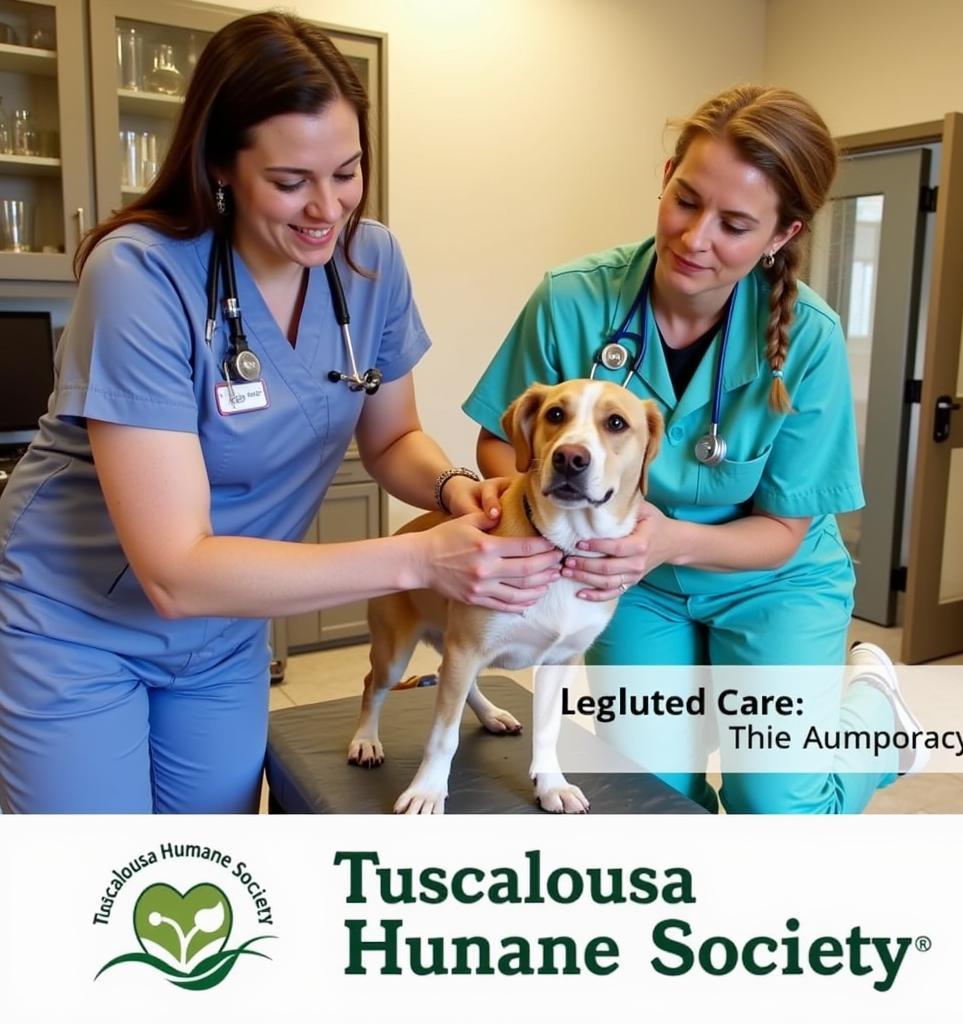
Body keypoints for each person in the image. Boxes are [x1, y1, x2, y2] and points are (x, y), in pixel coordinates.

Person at [0, 12, 563, 814]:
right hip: (80, 623)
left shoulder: (370, 262)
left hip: (229, 626)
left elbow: (393, 435)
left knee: (210, 866)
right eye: (291, 181)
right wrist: (419, 561)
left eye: (347, 171)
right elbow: (173, 570)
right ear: (220, 164)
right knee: (97, 880)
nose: (326, 209)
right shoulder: (139, 276)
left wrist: (450, 490)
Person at [464, 85, 919, 814]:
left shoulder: (809, 339)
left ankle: (877, 718)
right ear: (669, 173)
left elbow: (782, 531)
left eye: (735, 224)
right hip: (626, 581)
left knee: (774, 805)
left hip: (773, 581)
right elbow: (499, 442)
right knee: (652, 800)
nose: (694, 237)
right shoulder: (573, 299)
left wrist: (668, 538)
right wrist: (543, 508)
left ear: (781, 235)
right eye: (685, 199)